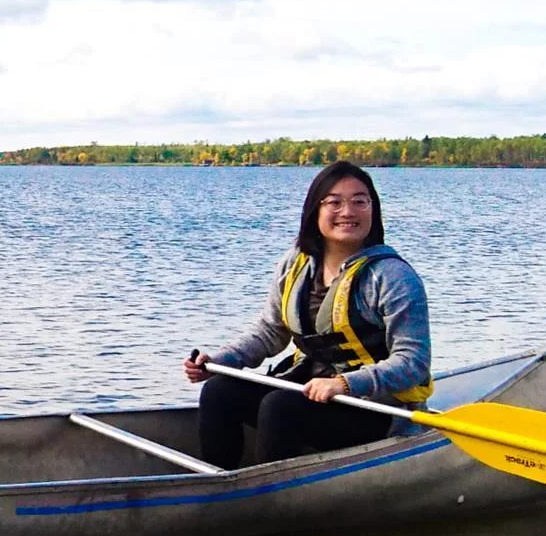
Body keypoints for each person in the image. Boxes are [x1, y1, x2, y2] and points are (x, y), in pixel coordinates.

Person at [184, 160, 431, 468]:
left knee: (280, 407)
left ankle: (270, 499)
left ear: (373, 210)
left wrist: (344, 384)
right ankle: (222, 486)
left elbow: (413, 362)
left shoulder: (393, 276)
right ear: (315, 210)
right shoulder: (295, 264)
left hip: (376, 408)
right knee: (220, 390)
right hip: (310, 390)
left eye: (360, 201)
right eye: (335, 202)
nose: (348, 212)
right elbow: (270, 331)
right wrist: (220, 362)